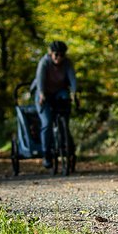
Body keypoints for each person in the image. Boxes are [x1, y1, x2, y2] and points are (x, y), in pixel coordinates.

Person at [33, 40, 78, 168]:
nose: (59, 57)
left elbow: (72, 79)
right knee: (47, 123)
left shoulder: (67, 63)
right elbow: (40, 80)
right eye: (56, 54)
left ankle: (66, 142)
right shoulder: (44, 62)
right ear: (51, 53)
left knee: (65, 102)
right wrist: (41, 94)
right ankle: (46, 154)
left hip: (59, 92)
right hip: (44, 94)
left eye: (62, 55)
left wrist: (74, 93)